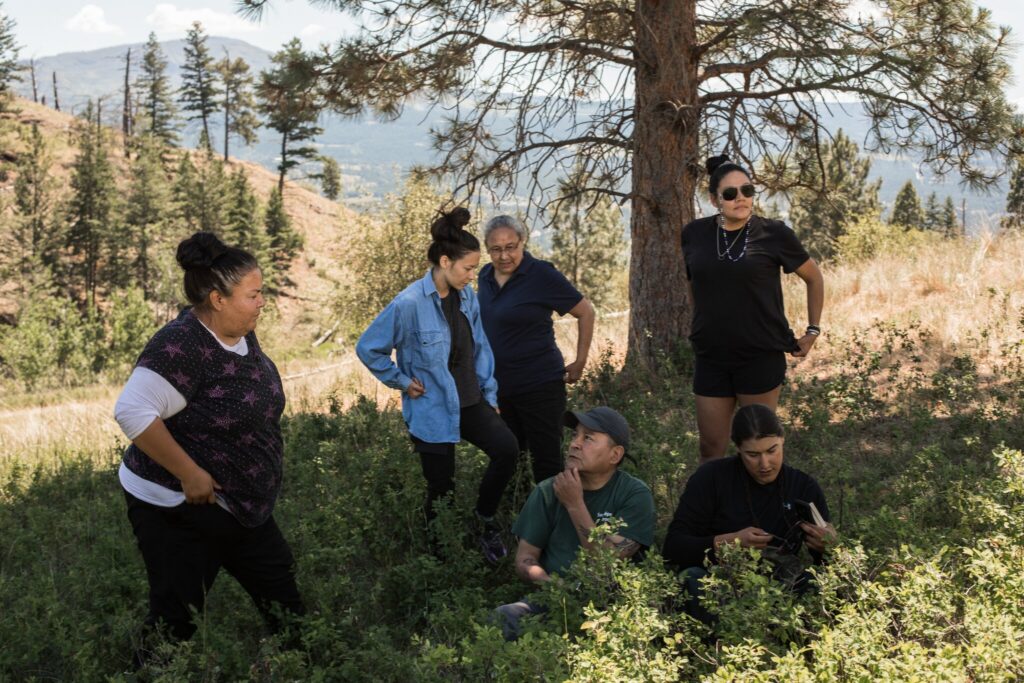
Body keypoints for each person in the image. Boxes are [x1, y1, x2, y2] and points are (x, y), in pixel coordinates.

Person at [114, 232, 305, 662]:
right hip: (178, 508)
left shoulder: (238, 330)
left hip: (240, 505)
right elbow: (132, 411)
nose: (262, 302)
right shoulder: (180, 346)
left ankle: (303, 665)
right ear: (218, 299)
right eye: (253, 295)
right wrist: (189, 473)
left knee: (284, 599)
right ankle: (148, 671)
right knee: (175, 620)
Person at [356, 207, 520, 564]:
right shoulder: (409, 303)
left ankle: (484, 519)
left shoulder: (467, 297)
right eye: (468, 268)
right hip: (431, 406)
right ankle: (441, 558)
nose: (472, 276)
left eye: (476, 269)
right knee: (441, 489)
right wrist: (400, 381)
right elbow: (369, 348)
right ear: (445, 261)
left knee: (506, 450)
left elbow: (480, 348)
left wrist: (489, 395)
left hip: (470, 399)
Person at [681, 154, 825, 463]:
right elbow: (696, 284)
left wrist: (813, 330)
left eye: (747, 190)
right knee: (711, 449)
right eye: (730, 194)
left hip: (759, 354)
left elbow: (814, 278)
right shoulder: (694, 234)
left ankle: (757, 510)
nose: (741, 199)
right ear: (713, 199)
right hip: (711, 356)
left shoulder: (774, 234)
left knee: (756, 447)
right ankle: (714, 511)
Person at [662, 404, 836, 623]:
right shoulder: (711, 478)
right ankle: (715, 647)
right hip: (721, 583)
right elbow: (673, 548)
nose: (765, 464)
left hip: (780, 586)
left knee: (817, 583)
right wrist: (729, 542)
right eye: (753, 455)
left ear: (783, 440)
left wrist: (829, 545)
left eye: (772, 451)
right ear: (738, 449)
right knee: (693, 579)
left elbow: (827, 563)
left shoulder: (802, 486)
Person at [495, 407, 656, 640]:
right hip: (554, 599)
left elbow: (606, 562)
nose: (574, 444)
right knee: (505, 617)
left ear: (615, 455)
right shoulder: (547, 491)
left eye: (588, 438)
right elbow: (524, 559)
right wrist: (551, 584)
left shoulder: (634, 494)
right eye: (575, 435)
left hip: (612, 604)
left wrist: (574, 504)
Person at [477, 215, 596, 483]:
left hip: (539, 385)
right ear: (487, 248)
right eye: (496, 249)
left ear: (523, 243)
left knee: (547, 461)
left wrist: (580, 361)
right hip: (499, 388)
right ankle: (516, 516)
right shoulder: (484, 276)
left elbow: (586, 312)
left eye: (511, 247)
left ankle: (554, 520)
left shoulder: (542, 274)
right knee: (509, 456)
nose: (504, 255)